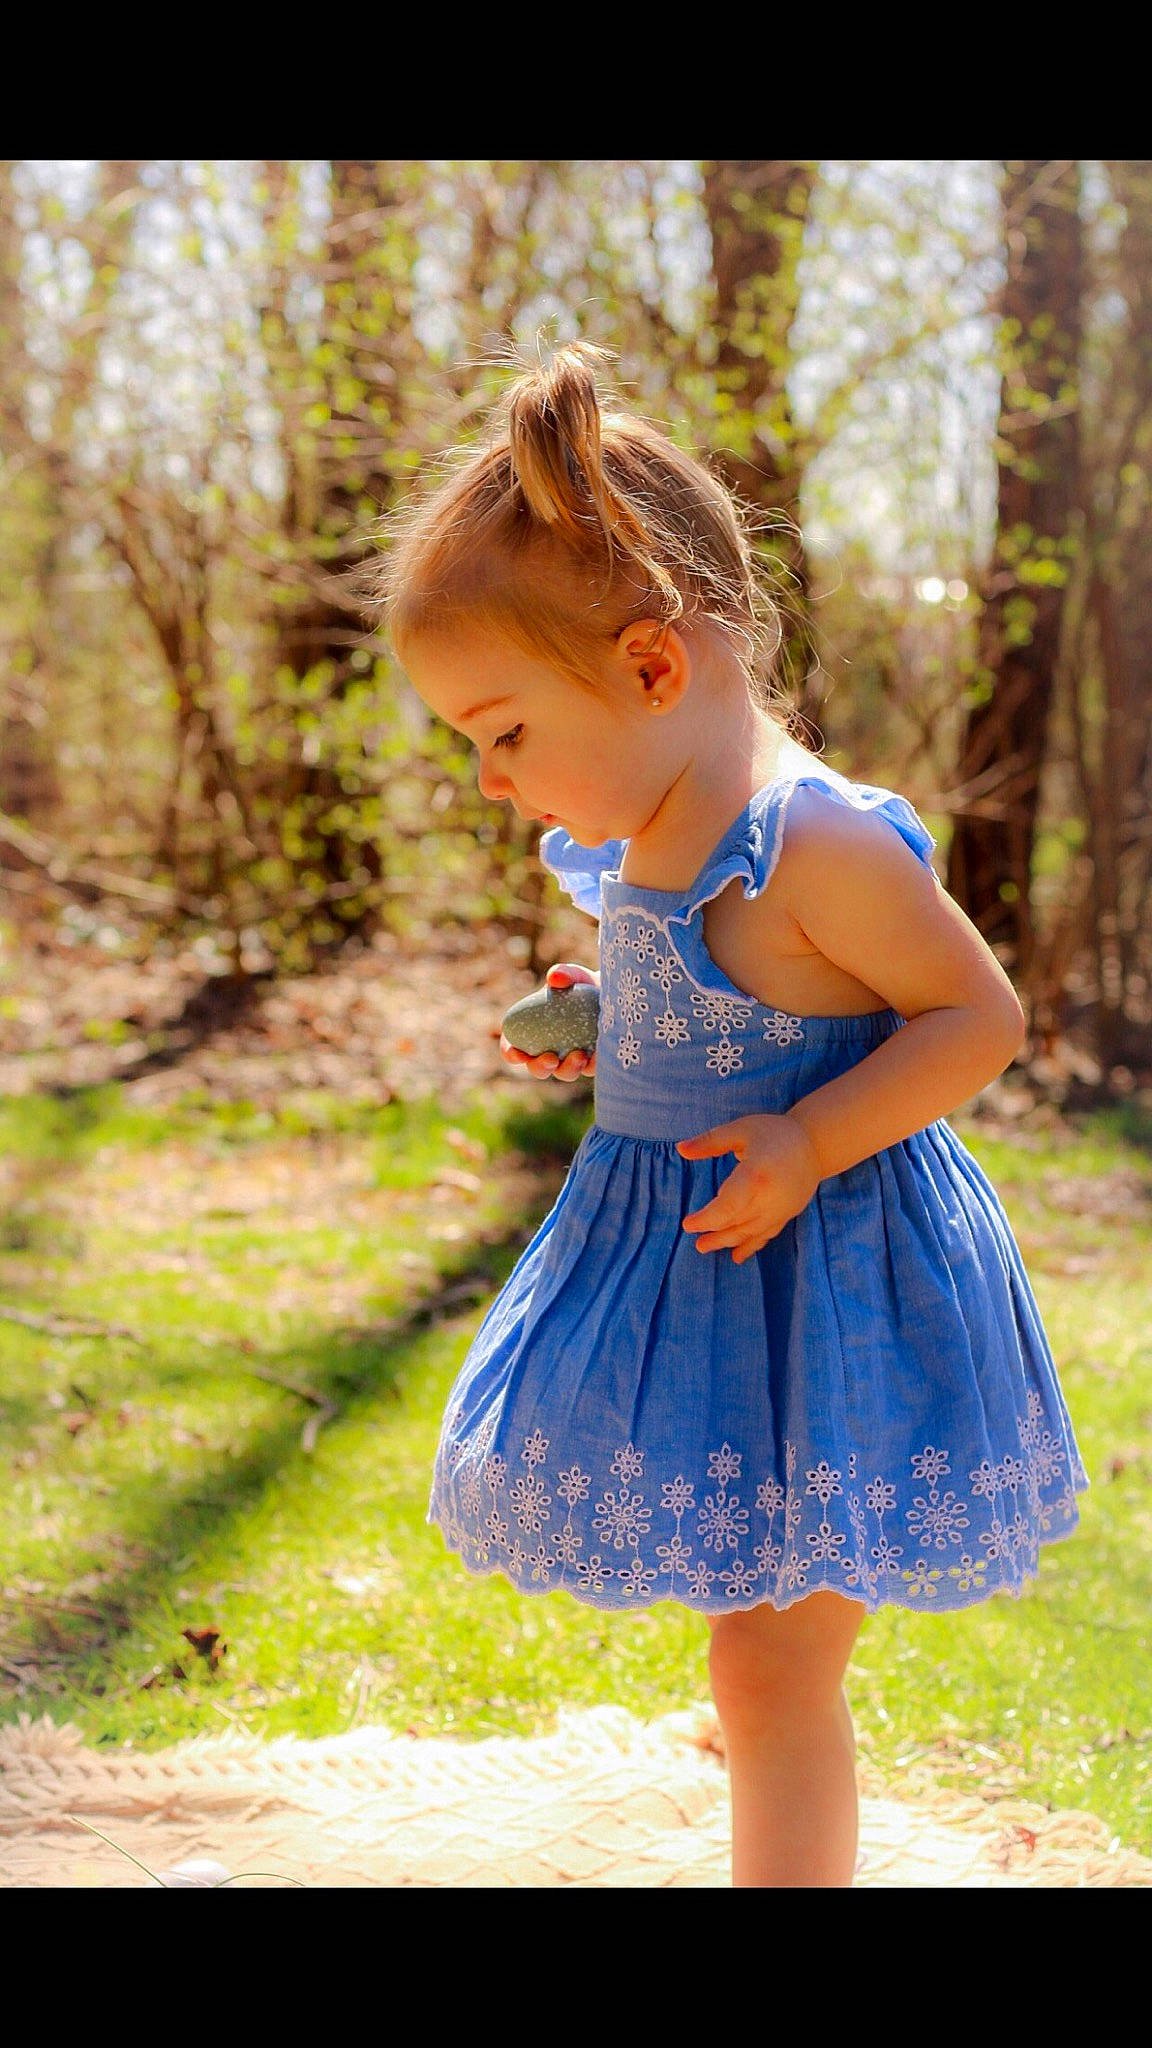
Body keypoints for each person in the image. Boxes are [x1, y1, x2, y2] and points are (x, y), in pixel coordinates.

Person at [374, 339, 1086, 1889]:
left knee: (775, 1674)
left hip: (824, 1287)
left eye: (502, 730)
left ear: (649, 666)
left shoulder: (811, 839)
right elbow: (742, 994)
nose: (493, 780)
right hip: (716, 1289)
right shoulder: (645, 835)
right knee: (744, 1651)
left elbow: (979, 1018)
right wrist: (616, 1018)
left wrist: (811, 1138)